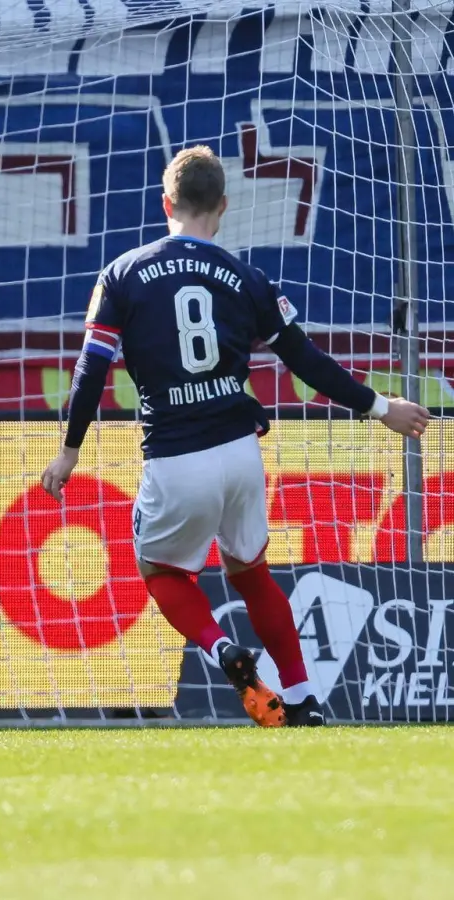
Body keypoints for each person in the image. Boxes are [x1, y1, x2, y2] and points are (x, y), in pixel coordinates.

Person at [39, 145, 429, 728]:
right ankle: (301, 699)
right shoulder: (247, 278)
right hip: (240, 453)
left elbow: (92, 367)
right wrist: (380, 406)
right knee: (251, 573)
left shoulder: (122, 273)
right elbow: (306, 360)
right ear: (222, 205)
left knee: (163, 572)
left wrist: (71, 449)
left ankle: (224, 651)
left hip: (176, 456)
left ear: (165, 202)